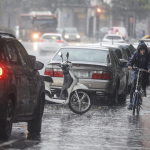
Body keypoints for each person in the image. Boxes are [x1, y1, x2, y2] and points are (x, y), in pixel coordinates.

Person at [127, 41, 150, 110]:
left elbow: (149, 62)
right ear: (139, 50)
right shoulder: (136, 54)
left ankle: (143, 90)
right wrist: (129, 65)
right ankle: (131, 103)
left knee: (144, 78)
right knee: (133, 86)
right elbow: (131, 60)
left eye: (144, 50)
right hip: (136, 69)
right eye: (141, 50)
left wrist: (149, 68)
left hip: (144, 69)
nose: (143, 52)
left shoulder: (147, 55)